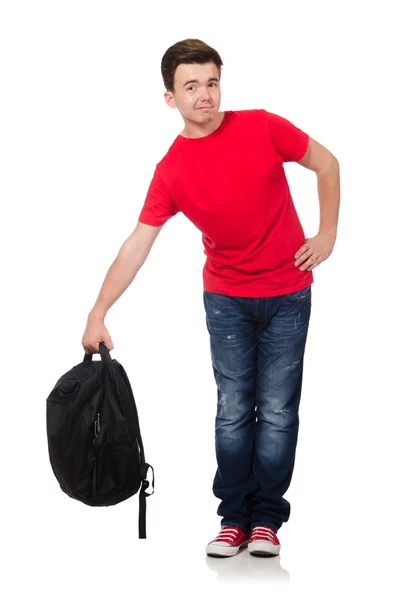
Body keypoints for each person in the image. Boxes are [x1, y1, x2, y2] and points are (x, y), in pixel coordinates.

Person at [82, 38, 340, 558]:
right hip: (226, 300)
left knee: (278, 409)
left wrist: (326, 234)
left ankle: (266, 520)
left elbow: (327, 164)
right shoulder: (172, 169)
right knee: (233, 409)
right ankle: (233, 519)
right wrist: (98, 311)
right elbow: (136, 245)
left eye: (212, 82)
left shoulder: (263, 126)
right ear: (170, 98)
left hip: (288, 292)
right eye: (191, 86)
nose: (205, 95)